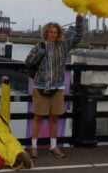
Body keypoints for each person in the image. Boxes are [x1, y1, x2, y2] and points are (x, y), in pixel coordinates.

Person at [24, 13, 83, 159]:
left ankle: (53, 146)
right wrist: (41, 53)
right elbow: (28, 62)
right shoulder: (38, 46)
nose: (53, 35)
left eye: (55, 32)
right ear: (46, 33)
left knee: (55, 118)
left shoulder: (63, 46)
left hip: (57, 87)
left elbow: (78, 37)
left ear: (58, 34)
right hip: (40, 86)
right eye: (50, 32)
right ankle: (33, 147)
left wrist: (79, 20)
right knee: (37, 117)